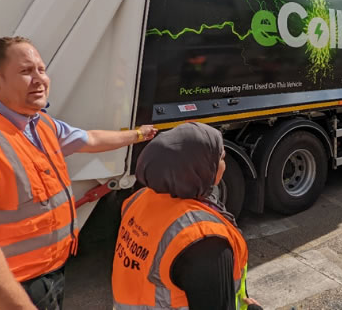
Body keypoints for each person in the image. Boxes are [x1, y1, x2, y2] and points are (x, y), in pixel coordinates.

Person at [0, 36, 158, 310]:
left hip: (45, 279)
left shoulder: (40, 125)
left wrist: (138, 134)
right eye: (25, 71)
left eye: (41, 70)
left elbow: (90, 139)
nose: (38, 79)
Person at [111, 122, 262, 310]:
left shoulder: (139, 200)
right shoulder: (204, 238)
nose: (225, 162)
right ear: (199, 168)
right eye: (221, 156)